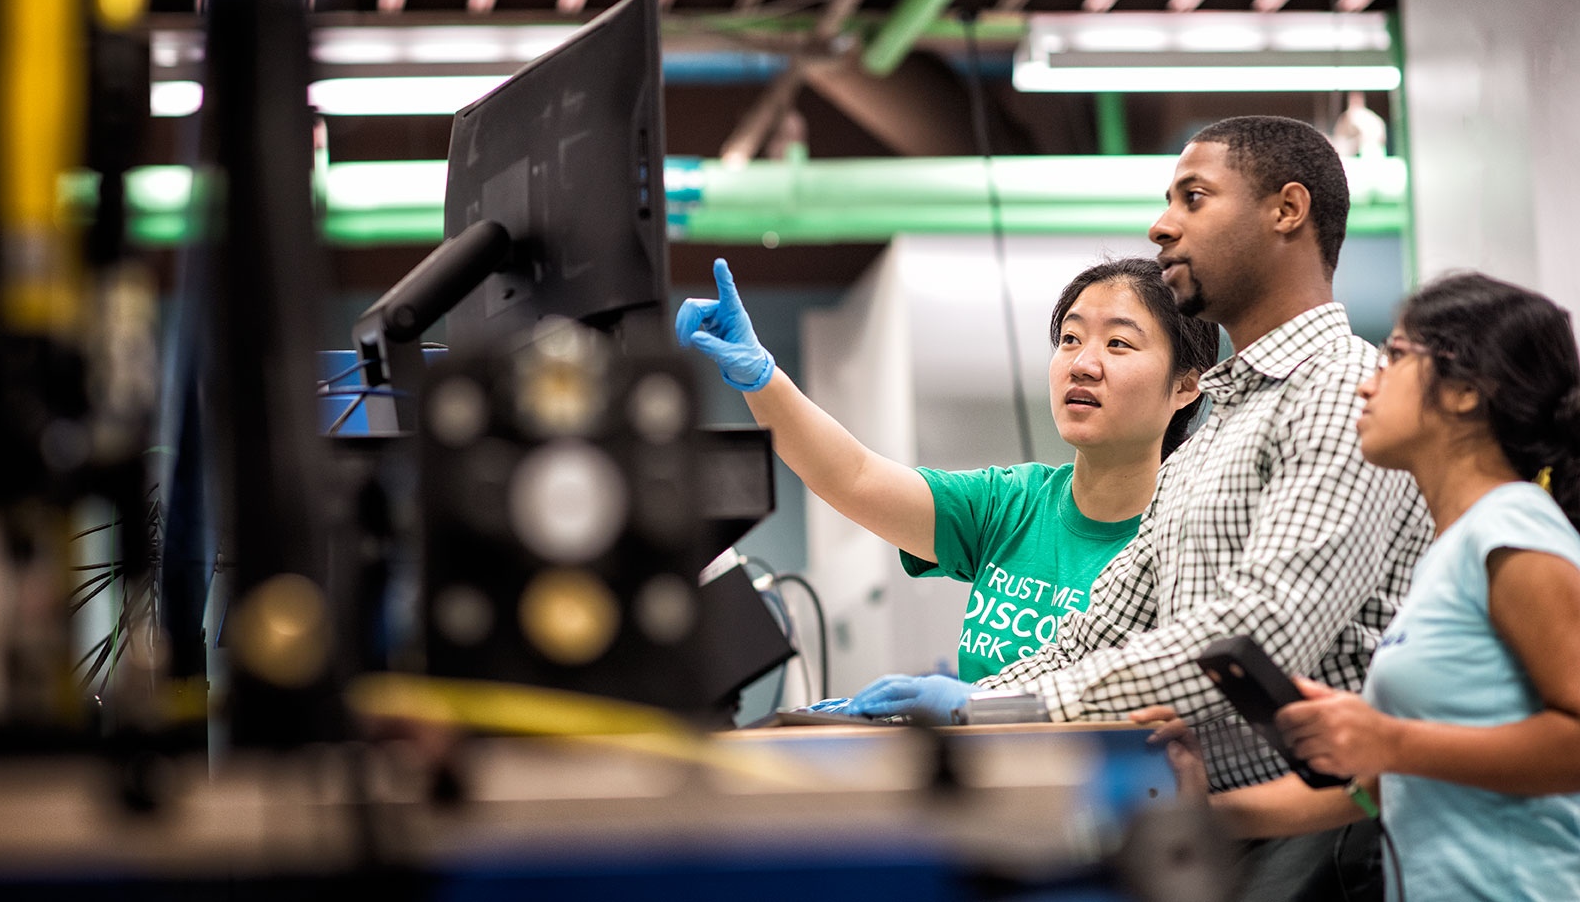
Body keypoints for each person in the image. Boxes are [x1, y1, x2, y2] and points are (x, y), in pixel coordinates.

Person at [844, 116, 1433, 901]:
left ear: (1287, 210)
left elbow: (1264, 631)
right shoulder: (1219, 424)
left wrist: (1017, 708)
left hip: (1327, 844)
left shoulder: (1336, 391)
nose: (1162, 226)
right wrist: (974, 706)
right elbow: (1107, 623)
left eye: (1194, 198)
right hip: (1226, 829)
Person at [1140, 272, 1580, 902]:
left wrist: (1388, 738)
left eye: (1396, 355)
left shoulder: (1511, 526)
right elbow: (1382, 785)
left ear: (1467, 393)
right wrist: (1209, 814)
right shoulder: (1449, 549)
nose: (1368, 381)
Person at [675, 255, 1218, 685]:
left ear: (1186, 385)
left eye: (1118, 344)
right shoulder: (1011, 504)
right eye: (1070, 339)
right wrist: (762, 377)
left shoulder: (1193, 539)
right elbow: (853, 476)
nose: (1082, 363)